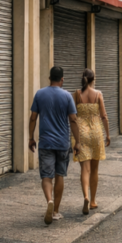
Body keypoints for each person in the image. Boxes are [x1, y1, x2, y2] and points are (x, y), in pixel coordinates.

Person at [28, 67, 82, 225]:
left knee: (46, 176)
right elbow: (73, 120)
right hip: (62, 143)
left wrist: (31, 138)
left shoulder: (40, 94)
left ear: (49, 78)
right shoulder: (66, 96)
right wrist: (77, 142)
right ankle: (56, 211)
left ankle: (49, 201)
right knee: (59, 175)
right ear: (62, 79)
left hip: (45, 142)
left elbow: (33, 118)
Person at [72, 69, 110, 215]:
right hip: (96, 132)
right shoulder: (98, 94)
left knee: (84, 169)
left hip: (81, 134)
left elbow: (73, 116)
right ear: (93, 79)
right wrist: (107, 135)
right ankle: (93, 201)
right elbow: (104, 116)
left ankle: (86, 197)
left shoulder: (76, 94)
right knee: (94, 169)